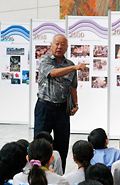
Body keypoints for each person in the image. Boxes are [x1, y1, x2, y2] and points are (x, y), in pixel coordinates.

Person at [34, 34, 89, 172]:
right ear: (51, 45)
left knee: (62, 145)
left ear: (66, 48)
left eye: (62, 44)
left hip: (62, 110)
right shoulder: (45, 59)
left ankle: (59, 174)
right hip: (44, 107)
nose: (59, 47)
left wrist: (76, 104)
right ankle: (38, 173)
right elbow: (53, 73)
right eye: (56, 44)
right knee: (41, 144)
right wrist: (75, 68)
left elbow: (72, 87)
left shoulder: (69, 64)